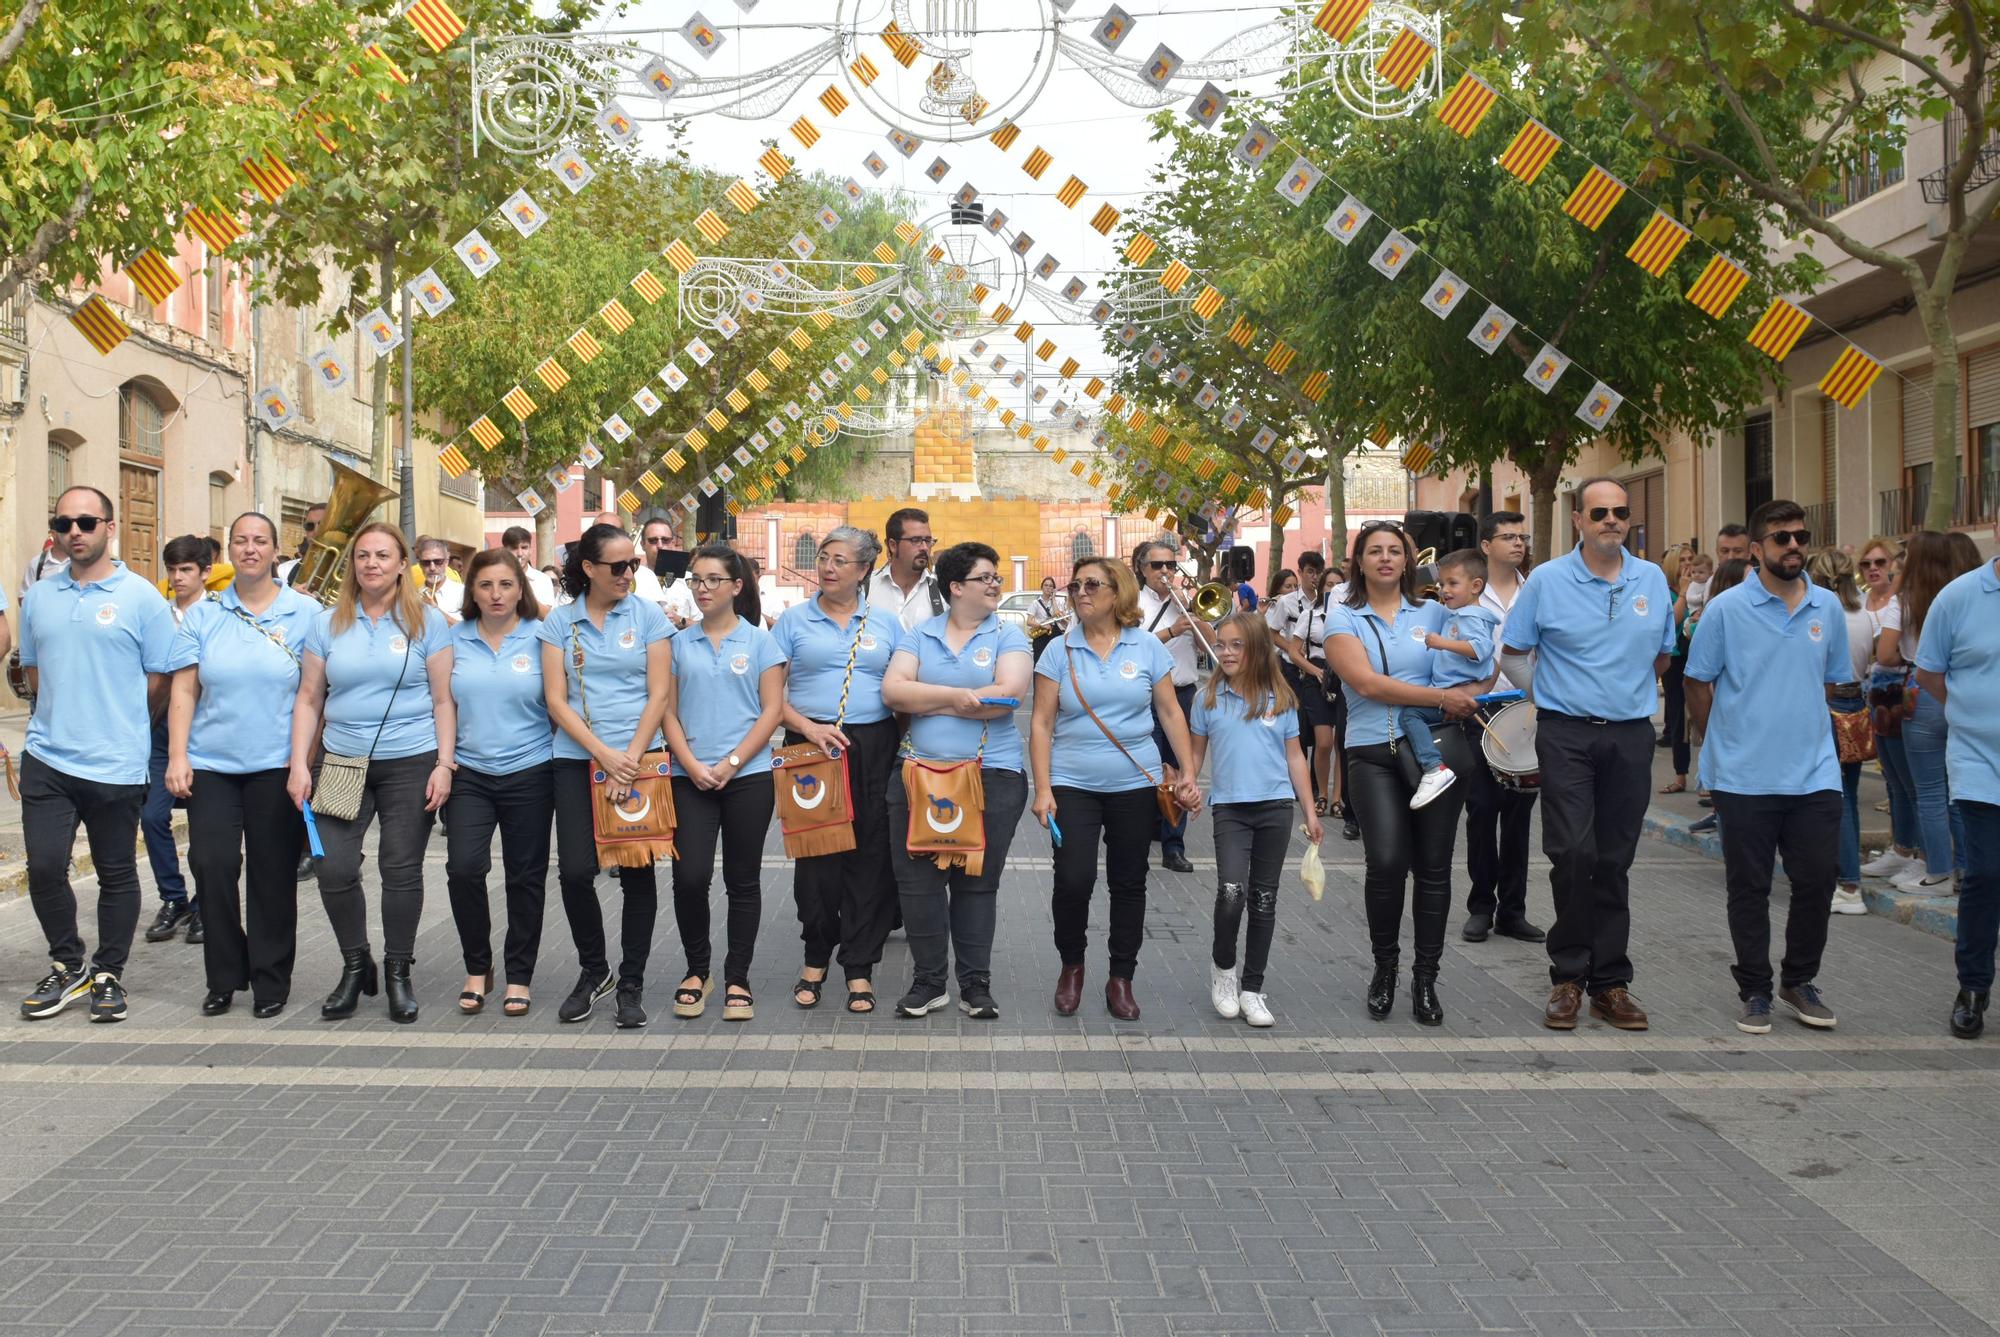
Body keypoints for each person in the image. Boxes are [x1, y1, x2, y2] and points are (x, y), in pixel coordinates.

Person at [1501, 478, 1675, 1032]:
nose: (1611, 521)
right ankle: (1569, 975)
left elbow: (1662, 657)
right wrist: (1550, 698)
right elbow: (1513, 654)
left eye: (1620, 512)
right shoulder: (1548, 581)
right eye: (1599, 512)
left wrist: (1621, 694)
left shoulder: (1651, 579)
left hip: (1629, 736)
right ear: (1578, 519)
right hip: (1566, 735)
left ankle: (1611, 982)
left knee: (1613, 860)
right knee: (1573, 852)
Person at [1684, 500, 1850, 1034]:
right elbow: (1697, 683)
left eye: (1800, 536)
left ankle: (1798, 980)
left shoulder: (1827, 608)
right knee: (1749, 888)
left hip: (1815, 773)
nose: (1794, 545)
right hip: (1744, 774)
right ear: (1757, 550)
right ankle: (1754, 988)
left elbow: (1828, 684)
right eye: (1781, 538)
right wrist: (1722, 741)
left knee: (1818, 881)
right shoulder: (1726, 610)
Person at [17, 486, 178, 1023]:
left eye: (86, 521)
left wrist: (123, 721)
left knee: (115, 872)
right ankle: (68, 965)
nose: (75, 532)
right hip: (47, 756)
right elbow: (34, 673)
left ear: (110, 527)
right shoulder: (39, 596)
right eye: (63, 523)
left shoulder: (142, 598)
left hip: (115, 759)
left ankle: (109, 972)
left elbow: (161, 681)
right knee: (43, 867)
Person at [289, 522, 455, 1024]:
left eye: (383, 555)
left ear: (403, 563)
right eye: (362, 555)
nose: (372, 564)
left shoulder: (428, 622)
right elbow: (309, 698)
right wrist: (299, 763)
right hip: (341, 758)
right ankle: (355, 963)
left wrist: (445, 765)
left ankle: (399, 971)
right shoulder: (327, 623)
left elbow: (444, 700)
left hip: (411, 760)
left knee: (399, 869)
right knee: (333, 866)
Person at [1031, 557, 1202, 1022]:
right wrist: (1042, 788)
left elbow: (1170, 712)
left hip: (1135, 782)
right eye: (1076, 585)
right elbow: (1042, 722)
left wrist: (1187, 771)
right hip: (1072, 782)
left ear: (1118, 592)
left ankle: (1121, 977)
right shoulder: (1057, 650)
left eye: (1092, 584)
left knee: (1129, 882)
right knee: (1073, 879)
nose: (1081, 592)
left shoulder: (1146, 647)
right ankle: (1072, 966)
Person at [164, 513, 318, 1017]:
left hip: (277, 764)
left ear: (276, 550)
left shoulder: (305, 613)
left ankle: (271, 978)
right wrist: (177, 755)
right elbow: (184, 688)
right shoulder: (205, 615)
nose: (250, 549)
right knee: (211, 865)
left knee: (272, 876)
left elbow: (315, 694)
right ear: (227, 551)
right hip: (211, 764)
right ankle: (225, 975)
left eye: (260, 541)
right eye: (240, 541)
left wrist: (303, 763)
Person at [1324, 522, 1478, 1026]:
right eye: (1375, 551)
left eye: (1395, 551)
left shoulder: (1436, 611)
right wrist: (1438, 696)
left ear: (1408, 560)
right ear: (1359, 561)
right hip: (1371, 751)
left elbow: (1477, 662)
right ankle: (1385, 967)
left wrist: (1470, 688)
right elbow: (1365, 684)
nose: (1386, 559)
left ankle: (1426, 978)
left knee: (1434, 867)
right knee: (1387, 862)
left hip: (1435, 749)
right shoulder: (1342, 613)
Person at [882, 541, 1033, 1020]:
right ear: (955, 587)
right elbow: (893, 692)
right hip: (918, 774)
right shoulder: (919, 634)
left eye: (996, 577)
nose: (995, 585)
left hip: (993, 775)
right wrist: (960, 696)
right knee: (918, 884)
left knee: (976, 882)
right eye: (985, 577)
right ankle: (929, 982)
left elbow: (1008, 696)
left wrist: (928, 697)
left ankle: (975, 984)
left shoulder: (1009, 636)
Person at [541, 522, 675, 1029]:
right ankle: (594, 971)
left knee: (637, 872)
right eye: (617, 566)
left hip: (640, 760)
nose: (628, 574)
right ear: (589, 568)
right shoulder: (560, 622)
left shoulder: (648, 617)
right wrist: (603, 756)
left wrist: (630, 760)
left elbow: (658, 694)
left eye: (633, 565)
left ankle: (632, 981)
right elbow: (556, 700)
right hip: (577, 760)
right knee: (576, 870)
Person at [774, 526, 903, 1014]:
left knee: (870, 857)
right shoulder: (792, 621)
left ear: (864, 570)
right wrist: (808, 727)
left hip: (873, 744)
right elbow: (768, 698)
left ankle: (859, 965)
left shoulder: (888, 624)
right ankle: (814, 957)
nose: (827, 567)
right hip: (809, 746)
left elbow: (905, 690)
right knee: (816, 858)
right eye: (823, 557)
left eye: (840, 560)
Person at [661, 544, 784, 1024]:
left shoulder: (760, 642)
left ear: (737, 586)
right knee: (689, 876)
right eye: (696, 579)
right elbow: (666, 710)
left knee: (742, 879)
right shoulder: (677, 643)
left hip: (747, 777)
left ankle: (738, 976)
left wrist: (732, 761)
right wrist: (689, 763)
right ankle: (697, 970)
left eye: (714, 580)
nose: (703, 588)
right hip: (689, 775)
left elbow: (771, 709)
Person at [1187, 613, 1321, 1028]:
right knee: (1231, 892)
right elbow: (1194, 754)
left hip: (1275, 809)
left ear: (1258, 649)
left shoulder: (1279, 700)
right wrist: (1187, 785)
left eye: (1236, 645)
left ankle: (1252, 988)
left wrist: (1310, 810)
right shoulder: (1206, 699)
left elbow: (1296, 757)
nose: (1226, 652)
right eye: (1221, 644)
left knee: (1264, 899)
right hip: (1230, 809)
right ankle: (1223, 969)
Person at [443, 550, 553, 1018]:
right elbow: (442, 702)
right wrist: (445, 763)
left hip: (531, 770)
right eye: (486, 585)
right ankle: (478, 966)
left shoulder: (541, 637)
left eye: (506, 585)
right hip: (470, 772)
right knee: (464, 868)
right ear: (472, 591)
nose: (496, 595)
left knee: (524, 876)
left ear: (520, 589)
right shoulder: (454, 639)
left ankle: (520, 975)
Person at [1914, 515, 2000, 1038]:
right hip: (1979, 763)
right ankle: (1973, 986)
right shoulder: (1959, 596)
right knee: (1986, 874)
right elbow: (1929, 672)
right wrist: (1968, 715)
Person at [1873, 531, 1975, 894]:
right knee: (1960, 790)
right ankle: (1966, 868)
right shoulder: (1964, 597)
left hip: (1921, 689)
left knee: (1928, 791)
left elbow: (1885, 655)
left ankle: (1939, 872)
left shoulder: (1903, 601)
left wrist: (1909, 658)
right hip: (1963, 690)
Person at [1461, 511, 1545, 945]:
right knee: (1481, 811)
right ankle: (1481, 906)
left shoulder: (1539, 590)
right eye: (1508, 537)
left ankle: (1514, 910)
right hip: (1481, 712)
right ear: (1486, 546)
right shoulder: (1468, 595)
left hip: (1527, 712)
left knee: (1518, 818)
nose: (1518, 543)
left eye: (1522, 536)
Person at [140, 535, 210, 948]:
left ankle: (205, 905)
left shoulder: (216, 613)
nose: (178, 577)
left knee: (205, 826)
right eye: (172, 569)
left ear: (204, 572)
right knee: (151, 817)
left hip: (203, 731)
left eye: (186, 570)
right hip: (159, 730)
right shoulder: (157, 615)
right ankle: (173, 898)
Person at [1392, 549, 1498, 810]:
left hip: (1454, 690)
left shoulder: (1471, 617)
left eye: (1452, 583)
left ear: (1476, 586)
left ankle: (1432, 767)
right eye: (1442, 584)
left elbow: (1480, 650)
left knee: (1411, 716)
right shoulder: (1461, 614)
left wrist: (1443, 643)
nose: (1444, 590)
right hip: (1451, 689)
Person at [1134, 540, 1213, 874]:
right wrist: (1170, 630)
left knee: (1181, 768)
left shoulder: (1185, 602)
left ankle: (1174, 846)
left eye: (1171, 565)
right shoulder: (1133, 603)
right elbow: (1133, 645)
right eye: (1157, 566)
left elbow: (1210, 645)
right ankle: (1144, 832)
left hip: (1183, 692)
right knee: (1150, 769)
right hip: (1147, 695)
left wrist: (1195, 617)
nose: (1165, 572)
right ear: (1142, 568)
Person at [1808, 547, 1873, 916]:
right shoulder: (1863, 613)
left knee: (1836, 799)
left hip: (1829, 704)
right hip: (1856, 702)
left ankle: (1848, 882)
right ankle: (1845, 875)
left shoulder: (1823, 614)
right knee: (1848, 793)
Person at [1857, 536, 1922, 879]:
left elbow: (1889, 652)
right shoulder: (1858, 602)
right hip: (1874, 694)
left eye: (1880, 563)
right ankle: (1901, 848)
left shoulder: (1902, 602)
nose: (1873, 570)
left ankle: (1919, 854)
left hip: (1899, 690)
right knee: (1892, 779)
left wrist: (1892, 657)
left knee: (1911, 780)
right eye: (1866, 564)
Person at [1282, 550, 1355, 838]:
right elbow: (1292, 650)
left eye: (1338, 584)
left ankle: (1338, 798)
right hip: (1317, 677)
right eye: (1329, 585)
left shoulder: (1351, 615)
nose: (1333, 589)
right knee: (1323, 741)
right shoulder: (1310, 615)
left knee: (1342, 743)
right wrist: (1313, 670)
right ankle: (1320, 793)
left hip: (1343, 675)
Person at [1662, 549, 1714, 795]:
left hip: (1699, 652)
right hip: (1675, 658)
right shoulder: (1666, 591)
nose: (1687, 565)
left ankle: (1708, 776)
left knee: (1706, 713)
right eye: (1682, 561)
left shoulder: (1704, 586)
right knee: (1677, 718)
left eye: (1690, 560)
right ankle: (1680, 774)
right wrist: (1683, 592)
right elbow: (1671, 621)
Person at [867, 507, 945, 631]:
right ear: (893, 545)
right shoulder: (866, 588)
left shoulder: (943, 592)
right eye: (916, 540)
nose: (925, 547)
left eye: (928, 540)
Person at [639, 517, 698, 628]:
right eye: (653, 540)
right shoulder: (634, 579)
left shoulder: (689, 580)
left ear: (672, 542)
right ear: (642, 544)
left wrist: (680, 620)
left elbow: (705, 626)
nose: (660, 545)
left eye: (665, 540)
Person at [502, 526, 558, 610]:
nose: (520, 553)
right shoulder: (496, 578)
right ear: (504, 551)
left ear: (530, 550)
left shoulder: (543, 580)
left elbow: (546, 616)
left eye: (524, 548)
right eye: (514, 548)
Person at [277, 501, 328, 588]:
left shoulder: (354, 571)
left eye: (322, 525)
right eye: (309, 526)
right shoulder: (284, 570)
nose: (316, 531)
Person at [415, 536, 464, 622]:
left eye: (438, 562)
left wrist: (436, 611)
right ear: (420, 564)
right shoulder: (414, 597)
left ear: (447, 561)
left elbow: (468, 632)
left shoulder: (463, 593)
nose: (432, 568)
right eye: (426, 562)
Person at [1026, 575, 1065, 660]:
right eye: (1046, 585)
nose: (1048, 588)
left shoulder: (1058, 602)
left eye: (1051, 586)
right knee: (1039, 659)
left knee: (1055, 659)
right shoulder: (1035, 603)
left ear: (1053, 588)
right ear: (1042, 587)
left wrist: (1053, 598)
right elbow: (1029, 621)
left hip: (1055, 633)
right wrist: (1041, 625)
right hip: (1041, 634)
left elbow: (1058, 615)